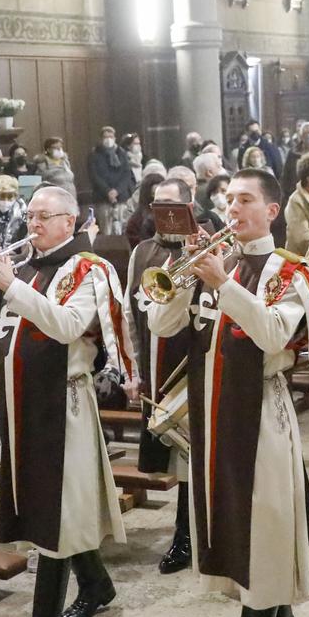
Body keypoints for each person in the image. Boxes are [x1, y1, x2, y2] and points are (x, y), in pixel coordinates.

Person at [146, 168, 309, 617]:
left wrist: (222, 284)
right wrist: (187, 281)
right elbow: (161, 322)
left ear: (272, 211)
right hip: (210, 411)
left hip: (261, 413)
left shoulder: (291, 271)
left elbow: (274, 334)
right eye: (228, 199)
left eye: (246, 200)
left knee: (263, 532)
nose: (233, 208)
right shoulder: (212, 262)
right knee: (236, 531)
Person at [0, 185, 132, 617]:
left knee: (55, 515)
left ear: (69, 222)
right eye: (29, 215)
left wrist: (11, 285)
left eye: (42, 216)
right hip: (17, 402)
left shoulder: (89, 269)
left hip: (63, 403)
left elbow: (68, 326)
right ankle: (96, 585)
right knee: (51, 506)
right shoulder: (22, 266)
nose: (31, 224)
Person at [125, 180, 196, 571]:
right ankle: (185, 533)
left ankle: (188, 535)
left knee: (192, 454)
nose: (166, 213)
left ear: (190, 206)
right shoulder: (141, 253)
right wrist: (134, 370)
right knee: (170, 457)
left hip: (192, 366)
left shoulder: (204, 249)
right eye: (159, 206)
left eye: (174, 205)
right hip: (155, 364)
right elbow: (128, 313)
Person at [89, 125, 136, 236]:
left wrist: (117, 191)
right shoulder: (94, 155)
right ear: (101, 139)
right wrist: (108, 191)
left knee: (122, 229)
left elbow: (126, 174)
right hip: (103, 198)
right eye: (105, 137)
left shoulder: (121, 153)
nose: (108, 139)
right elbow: (94, 176)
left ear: (115, 138)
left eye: (111, 136)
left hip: (121, 198)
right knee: (107, 231)